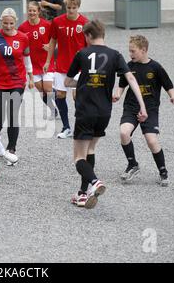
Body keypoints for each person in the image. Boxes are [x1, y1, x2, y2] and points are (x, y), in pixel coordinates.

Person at [64, 20, 148, 209]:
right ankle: (83, 193)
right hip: (104, 112)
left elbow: (68, 82)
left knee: (78, 157)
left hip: (85, 110)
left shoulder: (82, 54)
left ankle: (95, 182)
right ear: (103, 34)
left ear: (88, 36)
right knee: (90, 149)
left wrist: (83, 81)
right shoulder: (116, 55)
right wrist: (142, 106)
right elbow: (131, 79)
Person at [113, 35, 174, 187]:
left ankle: (163, 172)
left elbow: (168, 84)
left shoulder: (155, 67)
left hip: (150, 109)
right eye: (129, 51)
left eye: (133, 51)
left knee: (152, 140)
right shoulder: (128, 66)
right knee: (124, 133)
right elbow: (122, 84)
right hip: (131, 107)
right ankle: (132, 164)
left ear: (143, 50)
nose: (130, 54)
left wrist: (173, 96)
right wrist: (118, 94)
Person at [0, 8, 34, 165]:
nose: (8, 26)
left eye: (11, 23)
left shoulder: (23, 38)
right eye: (5, 23)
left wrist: (31, 76)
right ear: (0, 22)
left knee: (12, 115)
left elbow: (27, 59)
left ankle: (11, 149)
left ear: (15, 22)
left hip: (17, 81)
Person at [44, 0, 88, 139]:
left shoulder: (85, 23)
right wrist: (48, 61)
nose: (70, 11)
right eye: (68, 8)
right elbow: (52, 42)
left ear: (78, 7)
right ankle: (66, 127)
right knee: (60, 95)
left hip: (80, 67)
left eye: (74, 8)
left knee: (77, 97)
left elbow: (90, 46)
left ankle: (81, 127)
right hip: (61, 66)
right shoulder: (57, 22)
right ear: (65, 7)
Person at [18, 1, 58, 120]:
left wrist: (51, 47)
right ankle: (53, 109)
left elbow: (55, 39)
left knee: (47, 88)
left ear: (38, 12)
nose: (32, 13)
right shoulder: (22, 27)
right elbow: (20, 44)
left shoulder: (46, 25)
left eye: (34, 10)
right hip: (32, 63)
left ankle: (60, 95)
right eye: (30, 10)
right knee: (41, 89)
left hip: (46, 61)